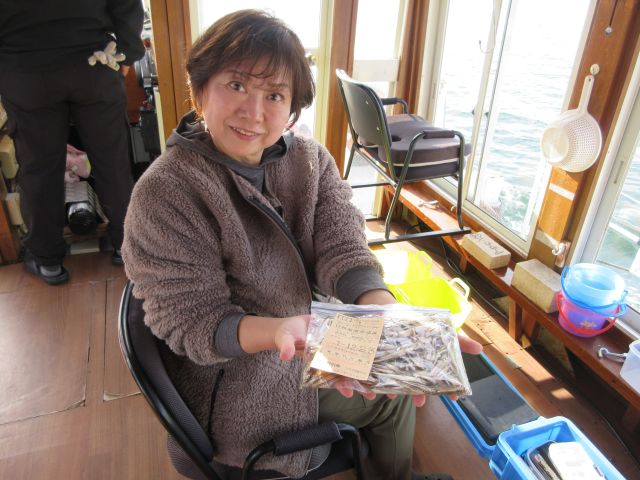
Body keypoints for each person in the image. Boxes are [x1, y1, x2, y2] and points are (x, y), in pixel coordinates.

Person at [122, 9, 482, 479]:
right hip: (240, 379)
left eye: (274, 95)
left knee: (405, 365)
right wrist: (280, 332)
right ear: (200, 89)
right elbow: (193, 321)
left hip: (307, 333)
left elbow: (343, 248)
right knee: (394, 403)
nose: (254, 112)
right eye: (236, 85)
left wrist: (385, 312)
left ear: (292, 108)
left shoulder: (310, 161)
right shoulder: (166, 193)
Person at [0, 0, 145, 284]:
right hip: (94, 62)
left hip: (25, 70)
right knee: (112, 163)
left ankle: (47, 260)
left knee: (40, 168)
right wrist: (128, 53)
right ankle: (127, 246)